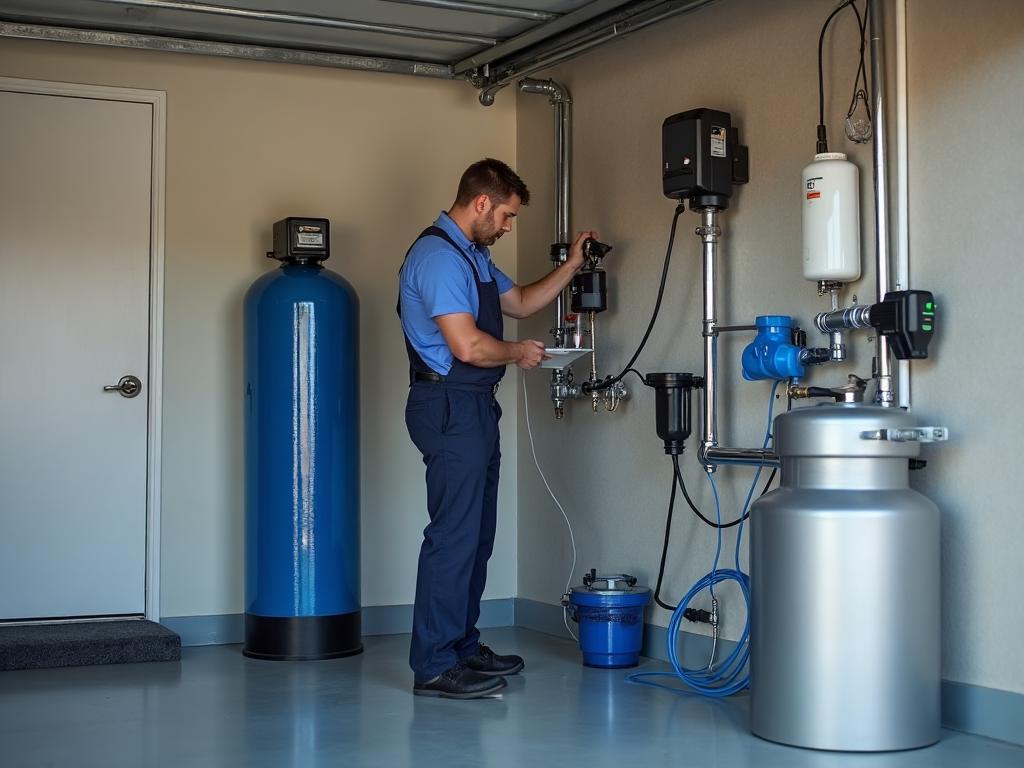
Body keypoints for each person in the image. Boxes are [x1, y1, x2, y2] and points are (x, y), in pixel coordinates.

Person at [398, 158, 596, 699]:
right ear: (482, 202)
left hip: (474, 405)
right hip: (447, 404)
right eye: (507, 215)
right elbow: (468, 346)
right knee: (453, 536)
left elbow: (523, 301)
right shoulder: (438, 257)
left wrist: (574, 265)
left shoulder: (474, 256)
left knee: (476, 536)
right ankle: (435, 665)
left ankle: (461, 646)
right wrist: (520, 353)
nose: (508, 226)